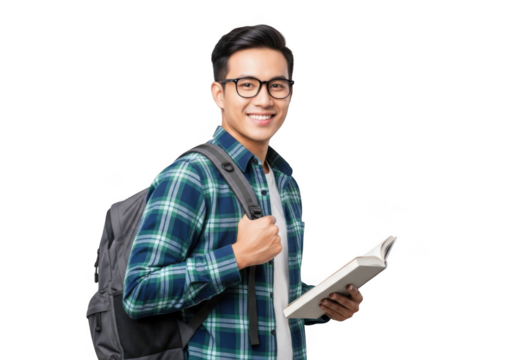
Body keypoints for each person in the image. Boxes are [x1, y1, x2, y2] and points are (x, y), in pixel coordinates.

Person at [123, 24, 365, 360]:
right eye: (247, 85)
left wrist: (325, 304)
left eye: (276, 86)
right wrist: (236, 257)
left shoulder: (284, 181)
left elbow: (275, 294)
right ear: (218, 93)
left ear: (290, 95)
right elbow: (138, 293)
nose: (264, 99)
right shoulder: (192, 175)